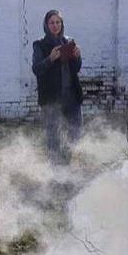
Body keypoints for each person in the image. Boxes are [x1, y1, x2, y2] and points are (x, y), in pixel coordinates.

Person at [31, 10, 83, 162]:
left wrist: (78, 57)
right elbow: (36, 69)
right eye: (52, 22)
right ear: (46, 25)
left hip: (71, 96)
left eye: (58, 22)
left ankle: (68, 166)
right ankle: (54, 172)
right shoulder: (40, 45)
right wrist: (50, 59)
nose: (55, 25)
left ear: (62, 24)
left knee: (75, 134)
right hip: (51, 98)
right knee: (53, 137)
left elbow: (77, 69)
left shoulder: (69, 42)